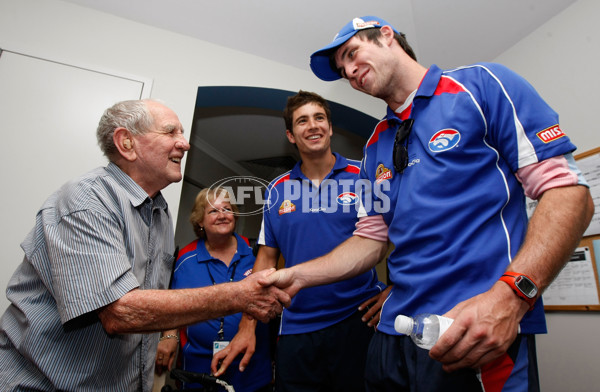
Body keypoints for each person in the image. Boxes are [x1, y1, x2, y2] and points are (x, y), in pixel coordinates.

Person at [258, 17, 595, 392]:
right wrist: (299, 276)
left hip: (470, 330)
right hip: (392, 338)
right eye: (342, 69)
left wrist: (513, 298)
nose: (350, 72)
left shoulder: (480, 86)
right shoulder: (374, 148)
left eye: (352, 54)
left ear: (386, 36)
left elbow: (570, 194)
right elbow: (370, 240)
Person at [0, 99, 289, 392]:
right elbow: (119, 312)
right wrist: (241, 295)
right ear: (126, 143)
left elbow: (154, 303)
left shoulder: (159, 213)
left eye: (183, 132)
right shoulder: (87, 203)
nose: (185, 144)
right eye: (171, 132)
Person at [212, 90, 389, 392]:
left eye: (319, 118)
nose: (313, 126)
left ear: (330, 127)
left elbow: (401, 235)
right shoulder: (277, 191)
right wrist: (247, 325)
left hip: (358, 320)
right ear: (291, 135)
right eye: (302, 121)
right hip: (296, 328)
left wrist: (397, 289)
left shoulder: (365, 175)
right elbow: (266, 260)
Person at [156, 187, 273, 391]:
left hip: (250, 369)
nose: (222, 216)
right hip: (199, 371)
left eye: (227, 209)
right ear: (200, 222)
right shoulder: (185, 260)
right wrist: (169, 336)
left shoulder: (256, 255)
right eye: (213, 211)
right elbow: (172, 305)